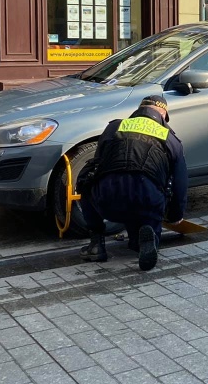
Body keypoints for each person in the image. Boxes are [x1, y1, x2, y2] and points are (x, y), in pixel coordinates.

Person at [77, 96, 188, 271]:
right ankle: (145, 240)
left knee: (86, 181)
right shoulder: (170, 139)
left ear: (138, 110)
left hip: (107, 202)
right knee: (148, 200)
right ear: (163, 115)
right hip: (148, 201)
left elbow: (97, 164)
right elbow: (180, 183)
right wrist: (175, 215)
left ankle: (96, 244)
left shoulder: (114, 127)